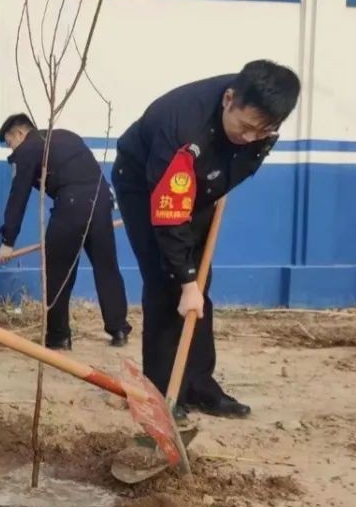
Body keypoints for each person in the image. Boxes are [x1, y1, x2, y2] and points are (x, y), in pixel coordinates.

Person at [111, 60, 300, 421]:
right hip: (145, 184)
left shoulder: (261, 124)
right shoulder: (182, 126)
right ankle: (162, 393)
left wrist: (215, 187)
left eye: (260, 132)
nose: (249, 138)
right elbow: (168, 218)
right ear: (228, 99)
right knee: (168, 281)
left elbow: (245, 153)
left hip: (201, 187)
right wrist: (184, 279)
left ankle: (197, 383)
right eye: (244, 127)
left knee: (200, 286)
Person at [0, 114, 132, 349]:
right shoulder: (66, 137)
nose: (12, 149)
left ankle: (58, 336)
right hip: (101, 201)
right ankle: (118, 328)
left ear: (19, 134)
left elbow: (18, 196)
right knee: (106, 266)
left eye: (10, 143)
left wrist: (8, 239)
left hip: (71, 204)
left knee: (58, 271)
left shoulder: (28, 148)